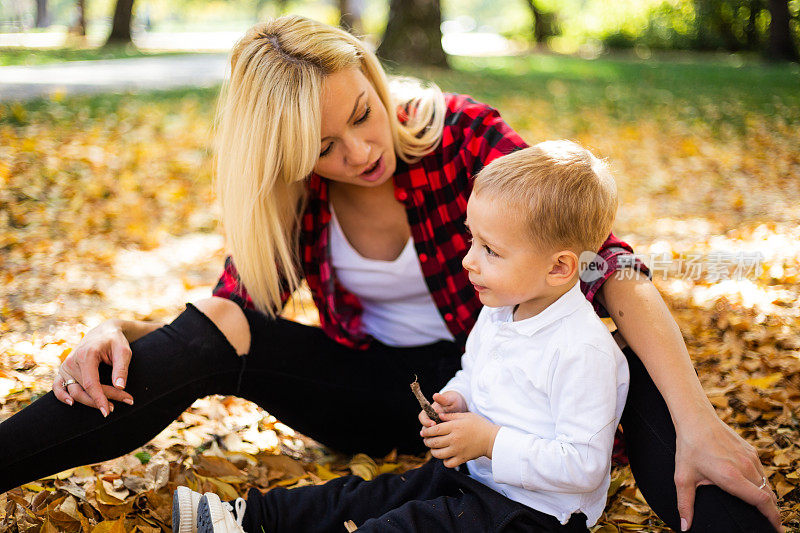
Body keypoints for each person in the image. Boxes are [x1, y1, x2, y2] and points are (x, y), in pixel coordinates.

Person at [0, 15, 780, 533]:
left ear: (375, 80)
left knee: (628, 376)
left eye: (362, 114)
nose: (360, 151)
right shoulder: (296, 198)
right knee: (220, 331)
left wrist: (699, 415)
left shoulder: (464, 137)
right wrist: (120, 334)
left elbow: (611, 262)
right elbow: (223, 319)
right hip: (386, 397)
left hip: (513, 387)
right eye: (326, 144)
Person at [172, 140, 631, 533]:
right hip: (477, 474)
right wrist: (457, 399)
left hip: (533, 513)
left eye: (491, 250)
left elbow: (585, 465)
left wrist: (490, 441)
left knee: (399, 527)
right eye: (472, 240)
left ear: (559, 267)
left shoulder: (582, 350)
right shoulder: (501, 310)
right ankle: (247, 517)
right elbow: (475, 371)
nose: (469, 260)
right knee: (368, 497)